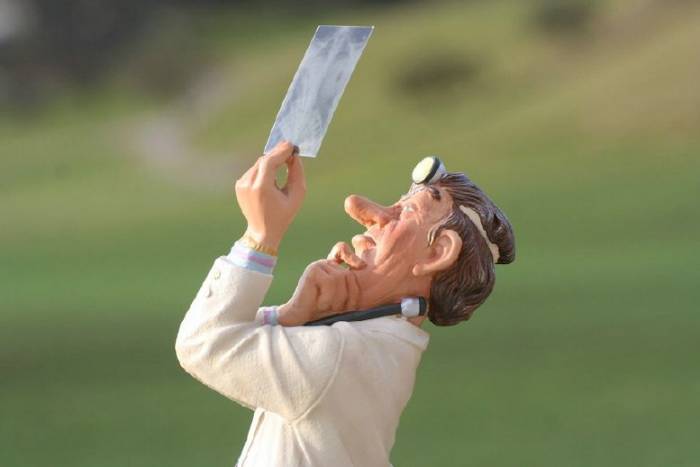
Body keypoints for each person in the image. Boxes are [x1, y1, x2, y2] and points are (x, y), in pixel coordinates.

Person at [175, 141, 515, 466]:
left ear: (437, 252)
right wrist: (294, 317)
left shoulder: (339, 356)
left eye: (405, 212)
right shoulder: (378, 348)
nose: (364, 211)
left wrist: (260, 238)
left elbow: (205, 342)